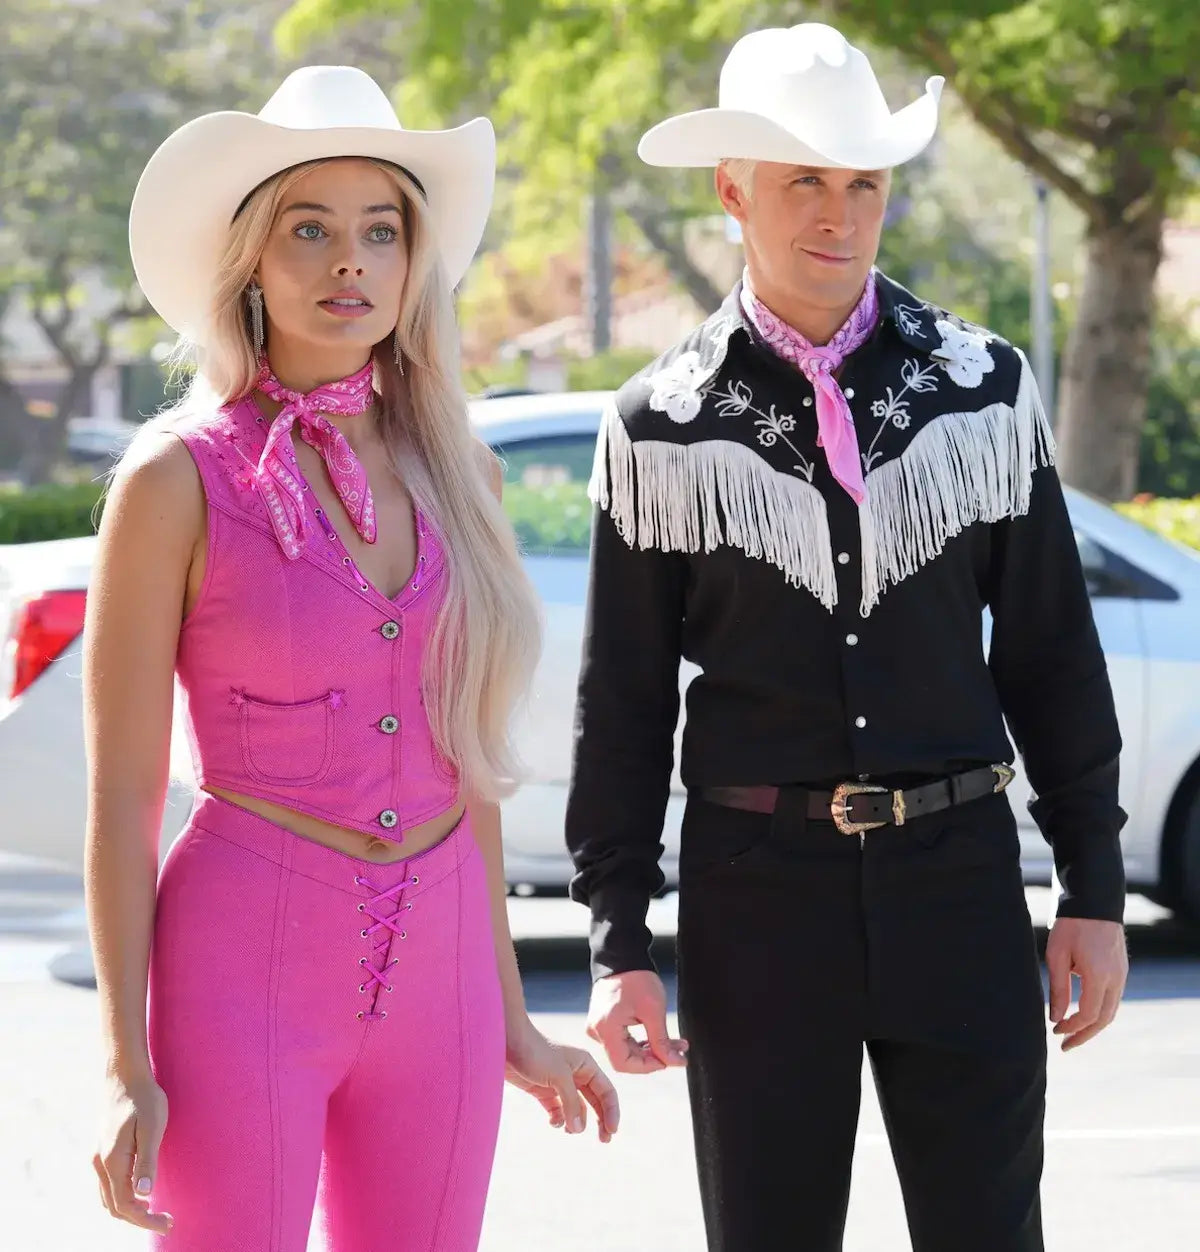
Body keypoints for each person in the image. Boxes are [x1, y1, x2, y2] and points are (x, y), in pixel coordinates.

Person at [566, 23, 1128, 1252]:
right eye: (803, 182)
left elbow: (1047, 650)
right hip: (755, 900)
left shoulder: (983, 388)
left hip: (961, 880)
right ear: (733, 193)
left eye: (862, 182)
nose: (838, 213)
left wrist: (1092, 884)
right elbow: (623, 707)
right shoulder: (659, 424)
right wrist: (618, 942)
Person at [85, 65, 618, 1252]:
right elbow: (122, 804)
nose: (350, 263)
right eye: (309, 230)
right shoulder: (174, 481)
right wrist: (126, 1063)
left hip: (447, 973)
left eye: (381, 231)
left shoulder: (461, 475)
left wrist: (514, 1015)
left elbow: (469, 765)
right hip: (241, 962)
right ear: (250, 264)